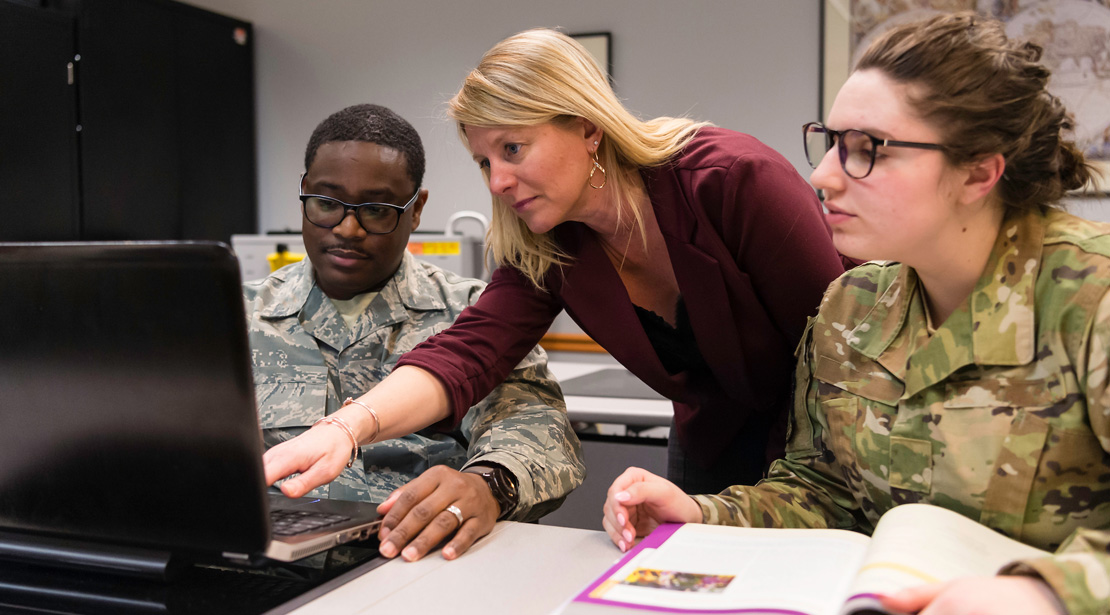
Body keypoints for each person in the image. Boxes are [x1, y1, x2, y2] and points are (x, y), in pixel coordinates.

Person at [601, 12, 1109, 615]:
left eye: (867, 151)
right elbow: (822, 492)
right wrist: (704, 514)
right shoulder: (851, 306)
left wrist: (1047, 592)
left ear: (978, 171)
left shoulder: (1088, 296)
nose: (822, 176)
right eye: (831, 142)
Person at [262, 28, 849, 500]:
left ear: (588, 127)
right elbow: (468, 353)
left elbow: (840, 352)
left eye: (512, 149)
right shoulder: (552, 246)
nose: (498, 182)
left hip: (832, 442)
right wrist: (347, 427)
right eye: (483, 162)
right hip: (714, 448)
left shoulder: (730, 181)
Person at [246, 103, 584, 562]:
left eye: (377, 211)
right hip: (263, 569)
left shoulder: (471, 311)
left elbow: (534, 430)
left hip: (416, 563)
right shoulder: (238, 316)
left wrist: (485, 485)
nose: (348, 228)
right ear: (304, 192)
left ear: (416, 208)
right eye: (326, 203)